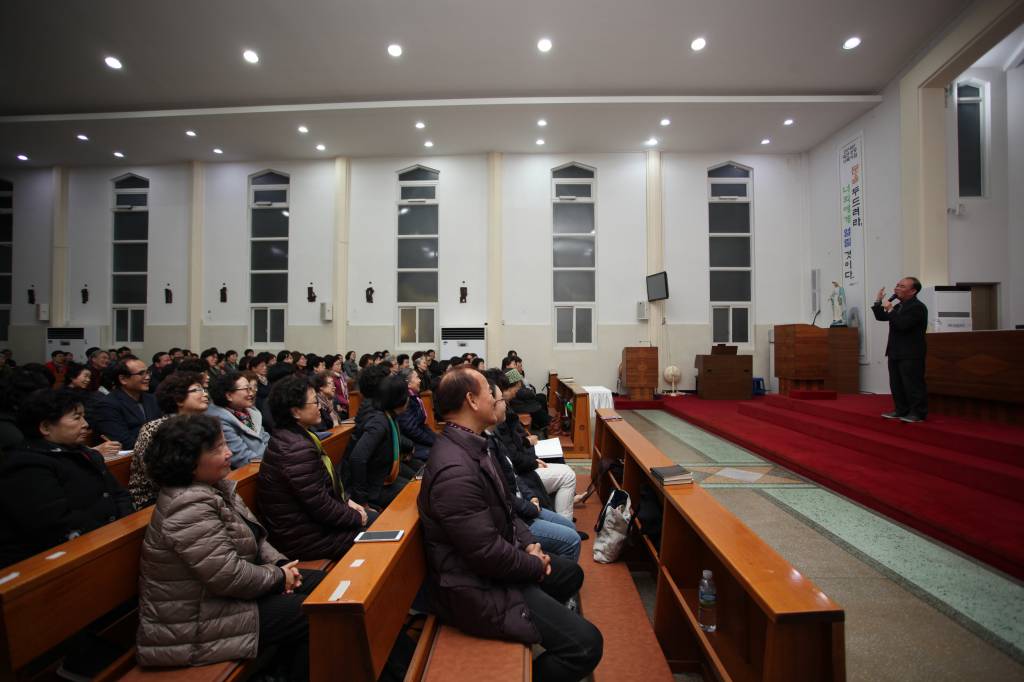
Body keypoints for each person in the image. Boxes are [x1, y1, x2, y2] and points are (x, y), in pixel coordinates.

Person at [417, 368, 602, 681]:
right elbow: (486, 554)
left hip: (496, 568)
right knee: (586, 646)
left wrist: (529, 543)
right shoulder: (455, 471)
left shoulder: (475, 445)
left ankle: (543, 624)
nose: (496, 398)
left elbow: (506, 509)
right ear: (472, 401)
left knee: (570, 573)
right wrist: (533, 564)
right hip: (475, 588)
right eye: (489, 393)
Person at [136, 415, 324, 679]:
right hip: (195, 623)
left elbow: (257, 539)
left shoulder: (216, 487)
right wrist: (280, 577)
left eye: (225, 444)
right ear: (187, 460)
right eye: (217, 449)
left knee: (325, 585)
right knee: (315, 614)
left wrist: (281, 565)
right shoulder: (186, 505)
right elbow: (228, 576)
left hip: (228, 600)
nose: (229, 453)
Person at [0, 389, 134, 567]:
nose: (86, 424)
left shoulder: (86, 453)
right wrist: (110, 532)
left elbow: (118, 493)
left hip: (110, 539)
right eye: (77, 418)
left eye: (84, 416)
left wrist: (126, 523)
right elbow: (55, 523)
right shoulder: (26, 465)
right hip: (65, 559)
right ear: (45, 427)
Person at [257, 376, 373, 561]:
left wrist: (347, 502)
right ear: (296, 412)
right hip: (306, 538)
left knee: (378, 520)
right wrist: (355, 518)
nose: (320, 407)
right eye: (314, 402)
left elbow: (321, 491)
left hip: (312, 526)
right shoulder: (295, 449)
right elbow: (321, 506)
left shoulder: (295, 436)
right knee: (379, 530)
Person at [486, 376, 581, 561]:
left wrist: (530, 496)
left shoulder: (493, 435)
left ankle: (563, 521)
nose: (505, 403)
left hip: (522, 500)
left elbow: (512, 473)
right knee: (572, 539)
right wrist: (530, 506)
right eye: (500, 400)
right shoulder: (489, 439)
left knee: (570, 529)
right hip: (518, 514)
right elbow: (504, 493)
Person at [127, 371, 209, 509]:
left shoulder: (203, 424)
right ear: (178, 399)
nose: (205, 394)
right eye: (197, 390)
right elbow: (157, 477)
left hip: (196, 490)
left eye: (204, 389)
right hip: (154, 499)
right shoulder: (154, 429)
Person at [340, 369, 412, 510]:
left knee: (417, 485)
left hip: (382, 477)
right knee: (413, 496)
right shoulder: (379, 422)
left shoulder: (389, 415)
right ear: (399, 399)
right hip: (372, 488)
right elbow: (357, 458)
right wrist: (362, 500)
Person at [872, 277, 929, 422]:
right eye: (897, 285)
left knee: (913, 383)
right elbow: (881, 317)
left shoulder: (917, 307)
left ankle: (918, 413)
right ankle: (901, 409)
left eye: (902, 286)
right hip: (895, 351)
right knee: (896, 383)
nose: (896, 288)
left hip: (911, 352)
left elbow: (903, 325)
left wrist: (890, 309)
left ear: (913, 291)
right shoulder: (899, 306)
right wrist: (878, 302)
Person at [91, 358, 162, 449]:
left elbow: (162, 428)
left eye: (148, 372)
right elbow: (123, 442)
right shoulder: (107, 405)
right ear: (123, 379)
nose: (147, 377)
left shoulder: (151, 399)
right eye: (141, 373)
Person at [207, 371, 270, 468]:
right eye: (246, 389)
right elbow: (242, 458)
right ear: (229, 396)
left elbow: (266, 439)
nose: (251, 393)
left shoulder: (250, 411)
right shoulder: (220, 420)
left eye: (251, 388)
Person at [396, 367, 435, 463]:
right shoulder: (405, 400)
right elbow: (411, 429)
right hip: (411, 443)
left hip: (417, 437)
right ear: (408, 384)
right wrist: (432, 441)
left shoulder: (414, 396)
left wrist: (436, 439)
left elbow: (421, 424)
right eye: (417, 377)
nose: (420, 380)